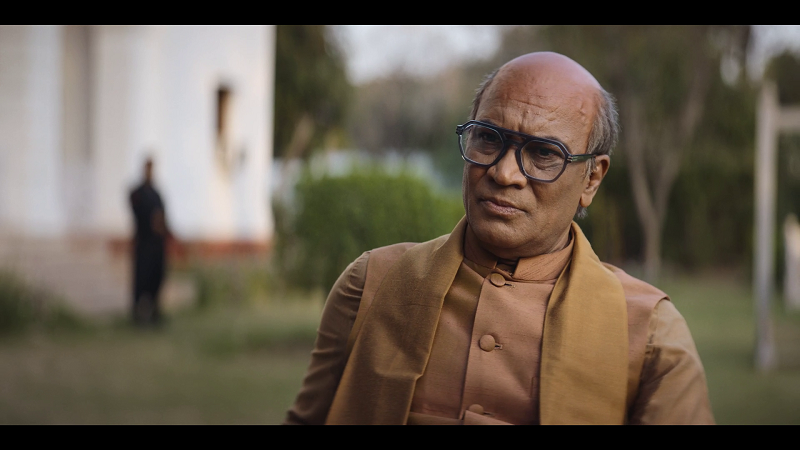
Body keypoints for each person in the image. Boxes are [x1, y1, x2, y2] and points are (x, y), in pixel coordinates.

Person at [285, 52, 714, 425]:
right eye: (489, 138)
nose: (504, 173)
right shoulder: (371, 285)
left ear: (591, 179)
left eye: (543, 153)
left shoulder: (649, 334)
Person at [129, 157, 171, 326]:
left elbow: (163, 217)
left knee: (156, 279)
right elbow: (139, 213)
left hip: (157, 246)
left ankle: (154, 313)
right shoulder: (137, 193)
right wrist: (151, 221)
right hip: (144, 244)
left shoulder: (156, 194)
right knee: (142, 281)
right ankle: (138, 315)